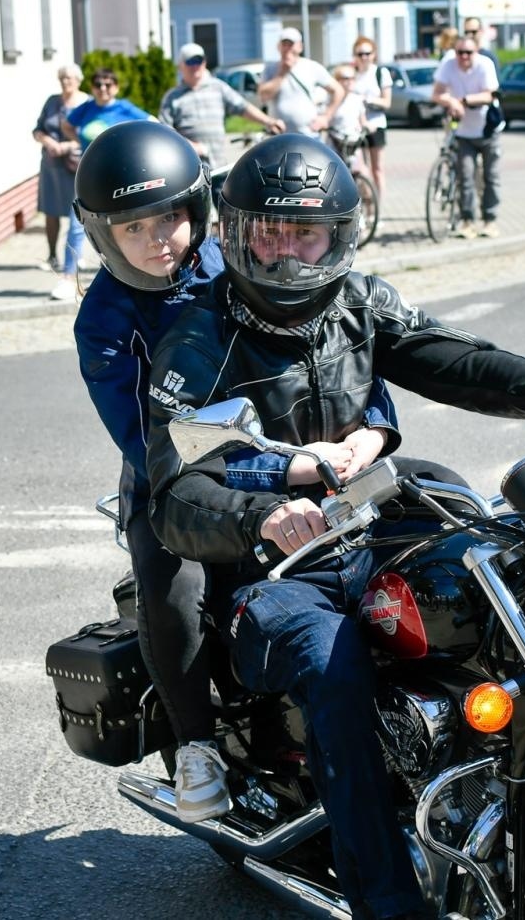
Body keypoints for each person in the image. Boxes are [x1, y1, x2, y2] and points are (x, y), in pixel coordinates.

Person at [144, 134, 525, 919]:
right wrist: (267, 515)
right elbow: (175, 494)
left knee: (511, 571)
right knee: (336, 674)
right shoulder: (197, 340)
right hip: (267, 574)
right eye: (271, 233)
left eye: (309, 234)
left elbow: (447, 355)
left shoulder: (359, 301)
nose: (291, 254)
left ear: (340, 234)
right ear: (234, 233)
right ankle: (389, 901)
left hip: (367, 525)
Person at [72, 123, 397, 825]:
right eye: (135, 228)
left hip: (305, 452)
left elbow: (336, 331)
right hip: (182, 481)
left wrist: (371, 423)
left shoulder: (239, 258)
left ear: (200, 209)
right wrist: (277, 472)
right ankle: (196, 745)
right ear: (104, 235)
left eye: (171, 218)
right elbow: (155, 442)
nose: (161, 239)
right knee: (174, 574)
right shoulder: (104, 319)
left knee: (414, 517)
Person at [158, 42, 283, 168]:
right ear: (181, 66)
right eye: (190, 62)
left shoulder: (218, 87)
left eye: (199, 60)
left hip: (218, 167)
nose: (195, 66)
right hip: (189, 170)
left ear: (204, 63)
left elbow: (242, 107)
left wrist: (269, 121)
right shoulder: (172, 97)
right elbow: (165, 132)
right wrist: (189, 146)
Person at [432, 32, 502, 238]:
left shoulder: (485, 65)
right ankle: (467, 220)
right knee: (466, 176)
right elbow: (436, 93)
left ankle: (490, 220)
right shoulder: (448, 65)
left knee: (491, 176)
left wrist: (462, 100)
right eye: (460, 52)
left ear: (476, 51)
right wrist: (450, 102)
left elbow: (490, 94)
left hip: (487, 128)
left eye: (468, 52)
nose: (464, 57)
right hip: (463, 131)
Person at [33, 64, 90, 301]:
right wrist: (48, 142)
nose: (66, 81)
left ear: (78, 80)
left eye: (69, 78)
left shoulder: (86, 102)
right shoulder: (52, 102)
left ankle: (75, 258)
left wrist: (66, 146)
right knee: (51, 210)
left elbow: (89, 133)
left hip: (77, 164)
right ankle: (52, 254)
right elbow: (37, 129)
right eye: (62, 77)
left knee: (77, 215)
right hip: (51, 164)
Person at [258, 27, 342, 137]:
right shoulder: (270, 69)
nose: (287, 48)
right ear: (279, 47)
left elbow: (338, 91)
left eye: (291, 44)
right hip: (279, 135)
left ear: (300, 47)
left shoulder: (312, 67)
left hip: (308, 134)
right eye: (284, 44)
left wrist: (326, 117)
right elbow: (263, 96)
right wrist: (281, 74)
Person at [348, 37, 393, 202]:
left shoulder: (380, 73)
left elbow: (387, 102)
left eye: (368, 53)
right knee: (360, 168)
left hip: (376, 124)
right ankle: (365, 204)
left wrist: (368, 100)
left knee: (377, 168)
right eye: (360, 54)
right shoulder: (352, 74)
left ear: (374, 55)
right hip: (355, 126)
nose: (364, 57)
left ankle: (378, 207)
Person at [66, 67, 150, 147]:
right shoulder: (85, 108)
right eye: (98, 85)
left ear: (116, 87)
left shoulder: (124, 107)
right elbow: (66, 126)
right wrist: (81, 141)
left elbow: (152, 122)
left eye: (108, 85)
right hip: (89, 161)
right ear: (92, 88)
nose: (102, 88)